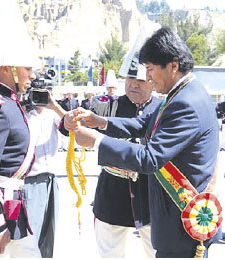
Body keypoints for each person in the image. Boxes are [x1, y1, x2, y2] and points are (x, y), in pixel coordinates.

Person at [64, 27, 223, 258]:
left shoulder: (185, 102)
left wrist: (97, 142)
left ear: (173, 66)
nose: (147, 77)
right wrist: (101, 122)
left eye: (150, 69)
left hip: (179, 227)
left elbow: (150, 158)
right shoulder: (185, 92)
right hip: (174, 221)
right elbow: (148, 123)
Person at [0, 0, 40, 258]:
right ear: (6, 68)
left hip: (11, 208)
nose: (32, 75)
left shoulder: (9, 102)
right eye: (27, 68)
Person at [91, 50, 161, 257]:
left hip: (150, 195)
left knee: (157, 252)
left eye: (140, 79)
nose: (133, 84)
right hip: (112, 192)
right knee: (110, 253)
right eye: (130, 78)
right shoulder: (108, 106)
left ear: (152, 81)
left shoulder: (162, 109)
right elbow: (71, 128)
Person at [21, 91, 66, 258]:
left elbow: (74, 124)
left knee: (48, 234)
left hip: (51, 179)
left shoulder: (53, 114)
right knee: (30, 238)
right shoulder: (22, 113)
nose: (40, 97)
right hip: (30, 180)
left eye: (45, 92)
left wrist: (54, 106)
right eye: (36, 92)